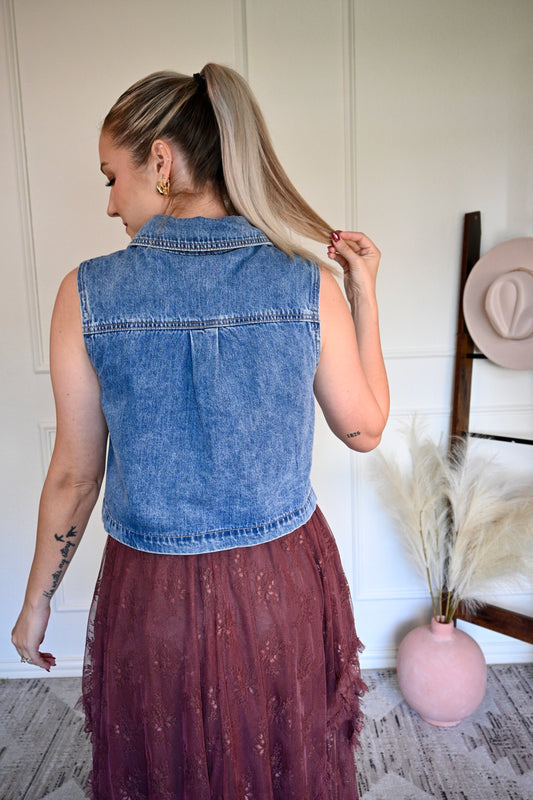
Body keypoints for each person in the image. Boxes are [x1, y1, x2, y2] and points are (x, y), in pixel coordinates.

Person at [12, 64, 389, 799]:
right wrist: (363, 295)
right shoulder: (303, 281)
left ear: (160, 161)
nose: (110, 203)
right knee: (278, 757)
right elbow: (365, 429)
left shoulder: (84, 293)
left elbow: (74, 475)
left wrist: (36, 601)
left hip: (153, 593)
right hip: (282, 582)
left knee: (170, 765)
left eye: (110, 177)